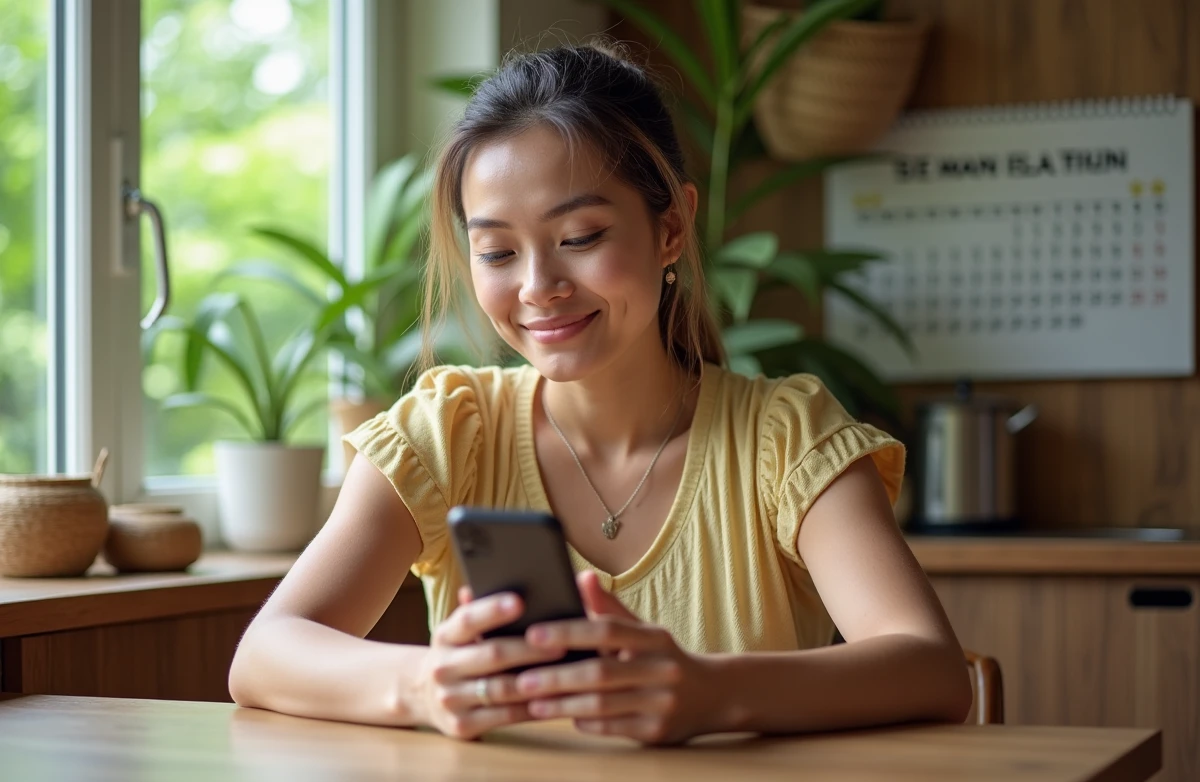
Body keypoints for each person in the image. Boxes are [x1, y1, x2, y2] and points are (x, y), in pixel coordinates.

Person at [229, 42, 972, 744]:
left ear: (672, 227)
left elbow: (931, 668)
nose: (537, 287)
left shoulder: (784, 436)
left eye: (580, 237)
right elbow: (263, 656)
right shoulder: (450, 429)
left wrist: (707, 693)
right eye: (496, 251)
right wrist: (423, 684)